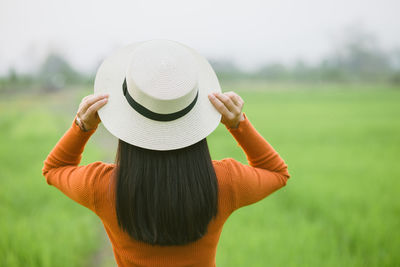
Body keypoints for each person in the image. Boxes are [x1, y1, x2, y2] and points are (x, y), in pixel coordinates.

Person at [42, 40, 290, 267]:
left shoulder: (102, 186)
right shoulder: (224, 181)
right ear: (195, 113)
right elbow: (277, 173)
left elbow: (54, 168)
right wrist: (238, 124)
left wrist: (82, 127)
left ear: (126, 119)